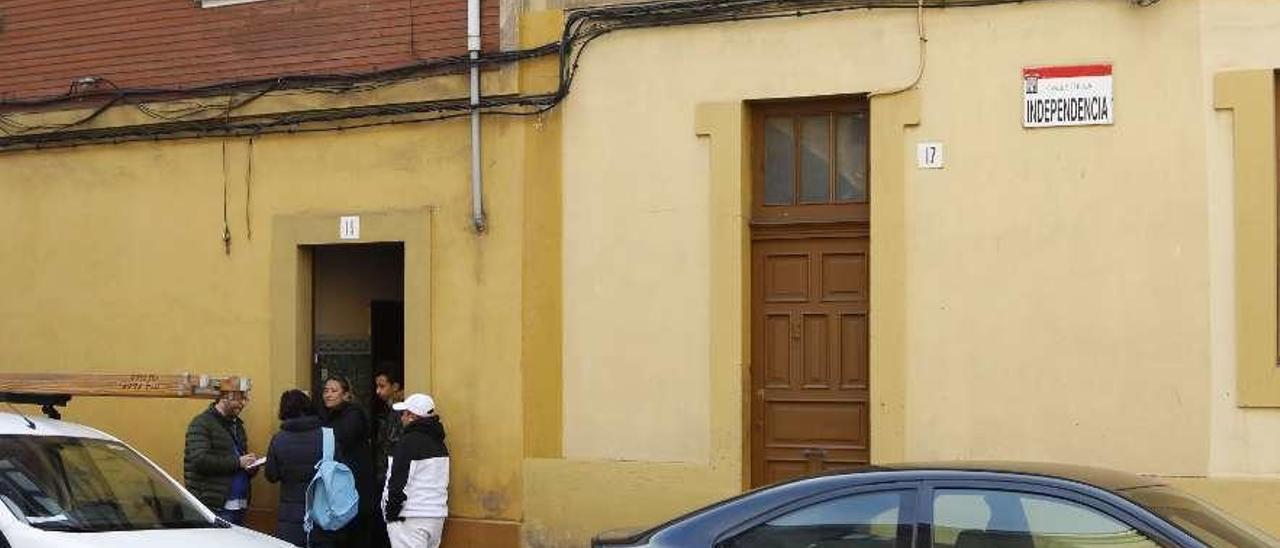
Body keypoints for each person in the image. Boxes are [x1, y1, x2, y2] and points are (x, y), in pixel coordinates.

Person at [264, 389, 344, 547]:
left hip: (290, 516)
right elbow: (340, 471)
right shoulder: (328, 436)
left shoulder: (279, 439)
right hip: (324, 514)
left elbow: (271, 475)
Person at [383, 393, 449, 548]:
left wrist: (391, 512)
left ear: (412, 416)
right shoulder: (439, 443)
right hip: (436, 516)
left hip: (410, 516)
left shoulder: (408, 442)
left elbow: (398, 480)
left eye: (404, 414)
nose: (401, 418)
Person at [183, 389, 259, 525]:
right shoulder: (201, 423)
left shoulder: (237, 425)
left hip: (239, 505)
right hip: (215, 507)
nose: (242, 404)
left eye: (244, 399)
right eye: (239, 399)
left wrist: (251, 466)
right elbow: (200, 460)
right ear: (224, 398)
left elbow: (239, 459)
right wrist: (238, 462)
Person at [321, 375, 374, 547]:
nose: (328, 394)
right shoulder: (328, 415)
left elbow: (339, 439)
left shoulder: (353, 414)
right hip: (341, 485)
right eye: (326, 390)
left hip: (355, 483)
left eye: (334, 391)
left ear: (345, 395)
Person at [372, 369, 405, 548]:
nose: (378, 391)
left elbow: (394, 445)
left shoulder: (401, 412)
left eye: (382, 386)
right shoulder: (389, 409)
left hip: (391, 476)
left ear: (396, 386)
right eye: (377, 386)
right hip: (384, 473)